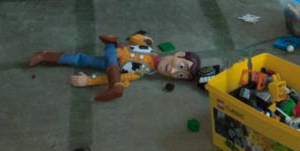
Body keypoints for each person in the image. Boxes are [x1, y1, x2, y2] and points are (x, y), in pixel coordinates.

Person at [28, 33, 201, 102]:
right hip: (113, 48)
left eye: (179, 75)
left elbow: (123, 78)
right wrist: (142, 38)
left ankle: (44, 55)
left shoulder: (142, 71)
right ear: (178, 54)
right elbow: (133, 40)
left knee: (87, 61)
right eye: (179, 66)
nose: (171, 71)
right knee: (107, 61)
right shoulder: (148, 49)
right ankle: (44, 55)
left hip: (110, 64)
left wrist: (88, 80)